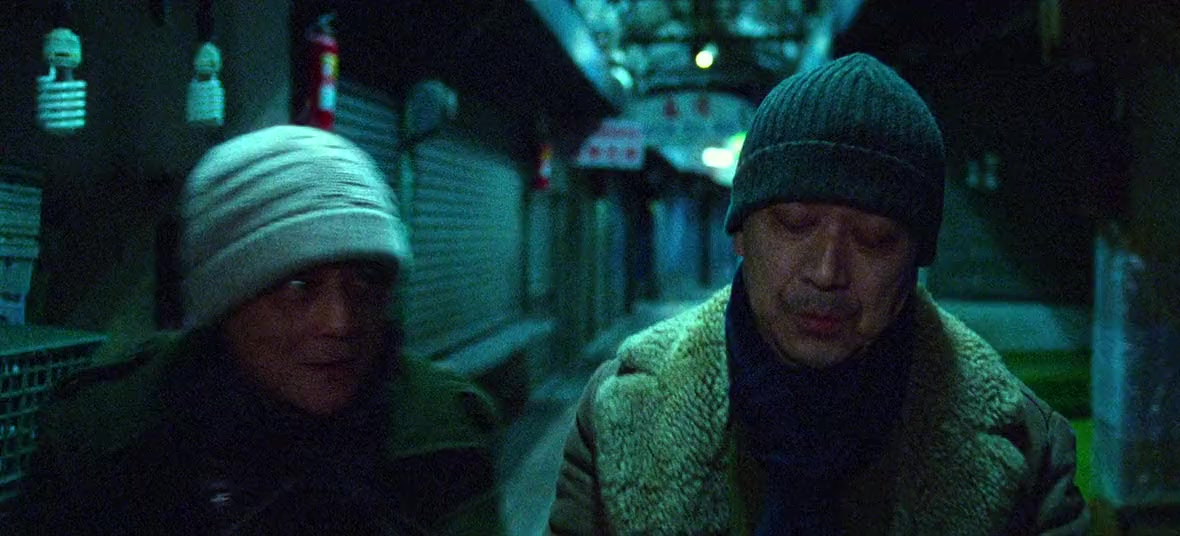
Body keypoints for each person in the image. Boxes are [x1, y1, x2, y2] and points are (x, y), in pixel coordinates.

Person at [548, 53, 1088, 534]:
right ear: (740, 233)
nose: (828, 272)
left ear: (916, 259)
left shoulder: (1027, 451)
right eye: (794, 223)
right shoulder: (620, 412)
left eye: (875, 239)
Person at [5, 125, 502, 534]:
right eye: (299, 286)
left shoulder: (441, 429)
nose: (340, 323)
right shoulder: (106, 437)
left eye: (366, 282)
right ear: (224, 302)